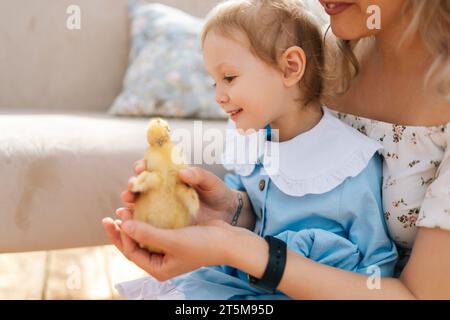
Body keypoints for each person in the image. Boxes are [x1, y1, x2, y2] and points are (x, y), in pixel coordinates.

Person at [103, 0, 450, 299]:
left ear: (291, 67)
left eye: (228, 79)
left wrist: (240, 250)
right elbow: (287, 207)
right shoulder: (321, 55)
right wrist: (232, 213)